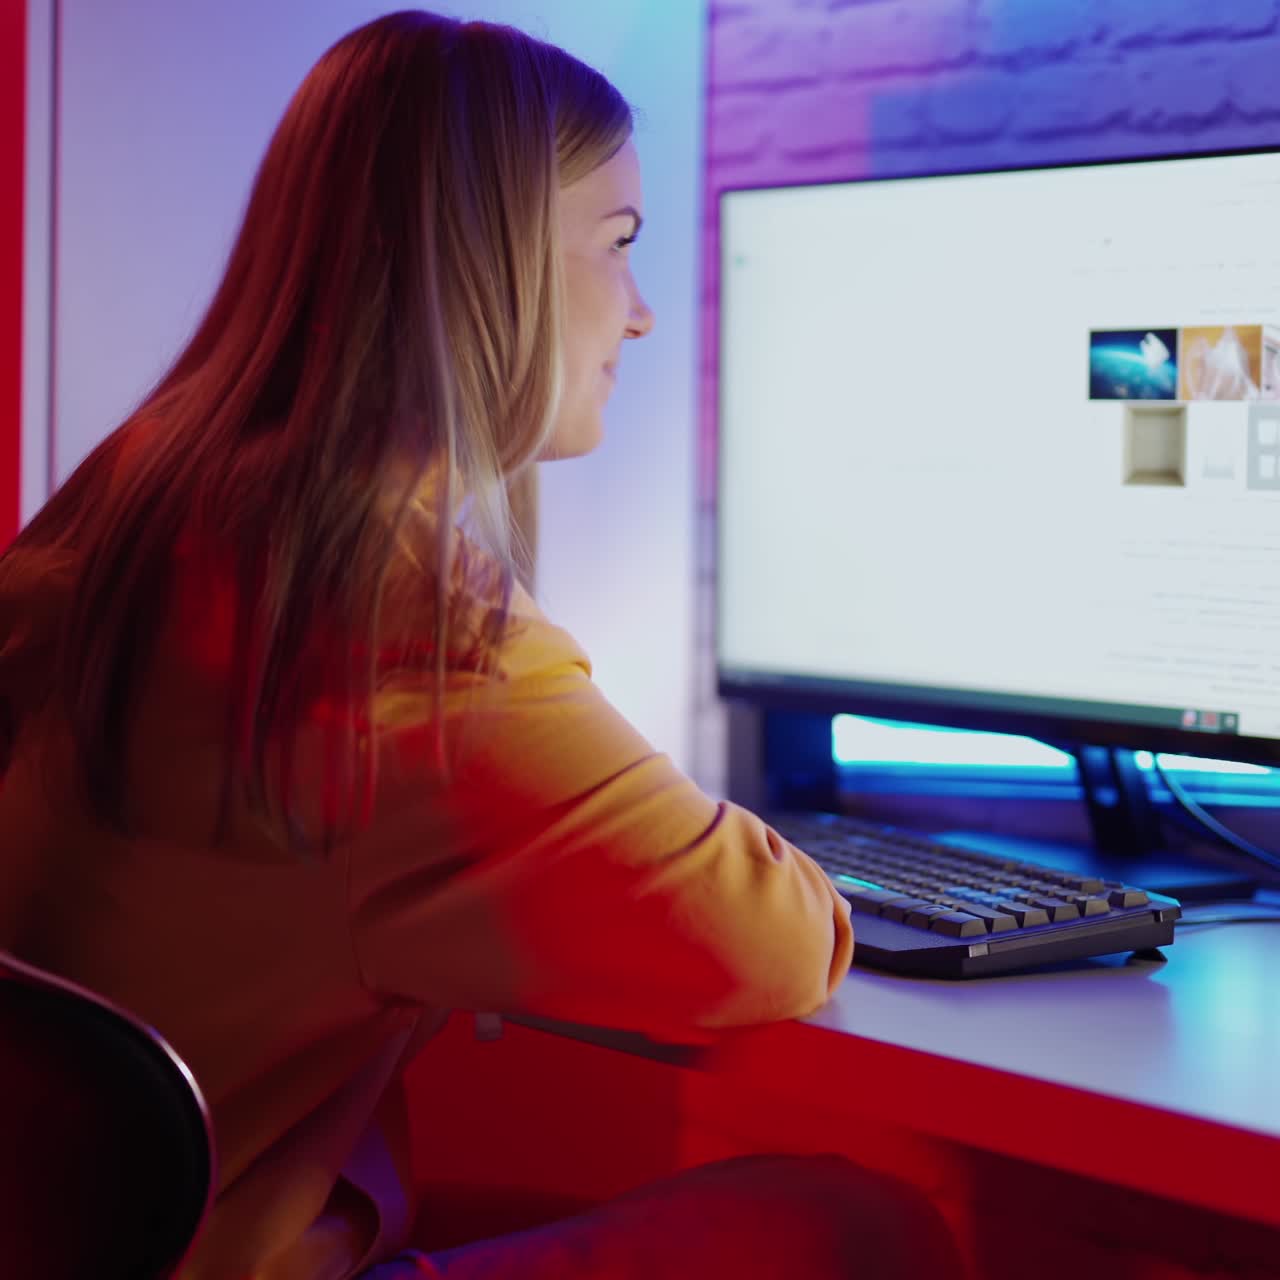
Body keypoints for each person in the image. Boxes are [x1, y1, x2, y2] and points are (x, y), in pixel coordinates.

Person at [0, 10, 963, 1278]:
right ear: (488, 260)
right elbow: (768, 941)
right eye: (617, 243)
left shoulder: (136, 497)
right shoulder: (400, 615)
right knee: (859, 1222)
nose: (640, 314)